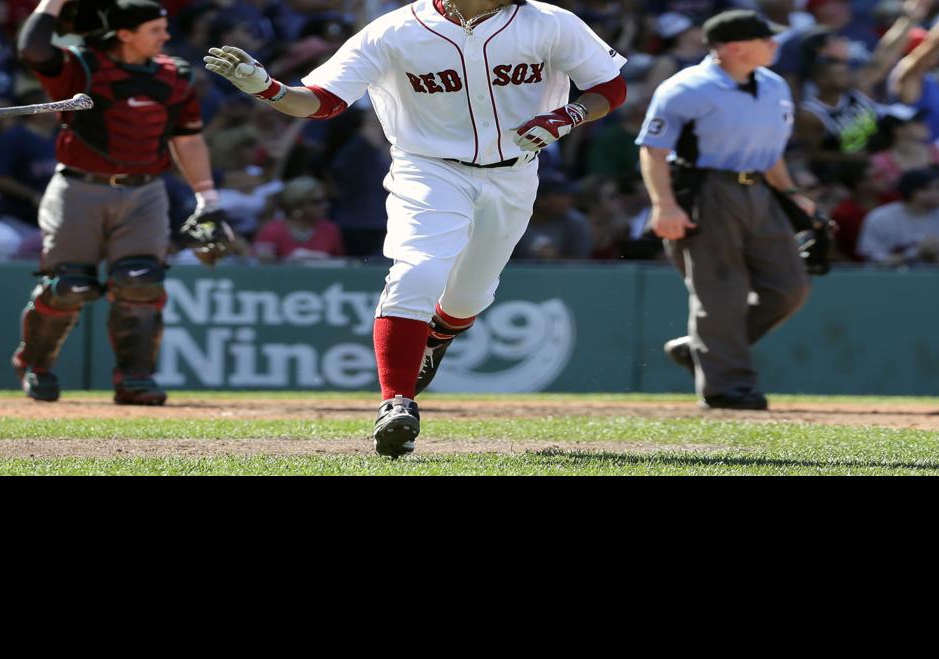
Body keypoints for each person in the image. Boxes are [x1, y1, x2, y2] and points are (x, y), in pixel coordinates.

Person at [203, 0, 629, 457]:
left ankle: (437, 337)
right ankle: (396, 403)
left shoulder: (548, 22)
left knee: (469, 296)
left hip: (515, 172)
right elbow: (324, 102)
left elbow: (610, 87)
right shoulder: (393, 31)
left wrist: (569, 116)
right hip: (428, 168)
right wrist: (269, 89)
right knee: (416, 272)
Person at [9, 0, 228, 406]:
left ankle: (135, 378)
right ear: (124, 34)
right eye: (155, 29)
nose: (165, 36)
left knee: (140, 281)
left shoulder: (174, 75)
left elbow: (188, 137)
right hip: (79, 188)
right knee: (68, 285)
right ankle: (36, 365)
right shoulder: (82, 67)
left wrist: (207, 198)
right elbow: (34, 48)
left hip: (145, 190)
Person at [638, 8, 813, 411]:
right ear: (734, 47)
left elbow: (773, 153)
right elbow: (654, 151)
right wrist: (664, 205)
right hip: (706, 190)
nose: (774, 44)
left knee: (789, 288)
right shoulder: (686, 87)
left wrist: (792, 195)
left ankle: (702, 348)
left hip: (761, 191)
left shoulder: (773, 85)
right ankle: (727, 388)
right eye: (765, 38)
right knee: (720, 294)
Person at [856, 168, 939, 266]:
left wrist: (936, 257)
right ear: (917, 192)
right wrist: (915, 254)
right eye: (938, 188)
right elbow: (874, 260)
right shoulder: (880, 217)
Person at [252, 175, 344, 261]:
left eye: (325, 200)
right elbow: (262, 267)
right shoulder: (272, 231)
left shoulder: (330, 230)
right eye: (317, 202)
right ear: (297, 205)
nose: (325, 206)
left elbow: (341, 265)